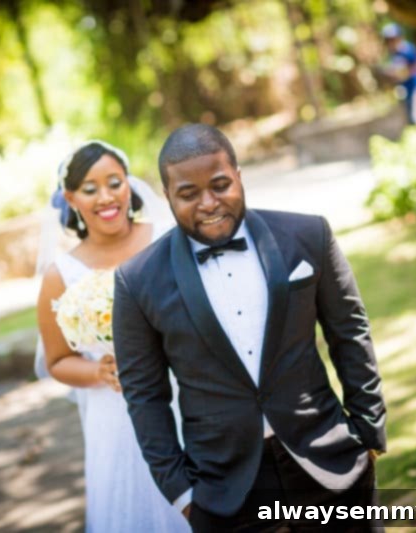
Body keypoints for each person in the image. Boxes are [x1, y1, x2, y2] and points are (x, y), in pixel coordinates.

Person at [113, 124, 387, 531]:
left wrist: (368, 433)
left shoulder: (308, 235)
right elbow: (144, 395)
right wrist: (183, 494)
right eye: (188, 194)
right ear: (167, 196)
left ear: (239, 176)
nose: (208, 203)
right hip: (223, 491)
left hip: (330, 463)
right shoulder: (136, 281)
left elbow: (349, 332)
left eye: (220, 185)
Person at [36, 140, 189, 532]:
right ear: (71, 198)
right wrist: (99, 372)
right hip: (116, 418)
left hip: (186, 394)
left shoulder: (168, 238)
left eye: (115, 182)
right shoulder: (62, 275)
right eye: (90, 188)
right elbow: (56, 361)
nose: (106, 197)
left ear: (130, 185)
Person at [381, 23, 416, 132]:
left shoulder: (407, 49)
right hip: (406, 90)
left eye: (393, 39)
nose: (391, 42)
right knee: (411, 120)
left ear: (399, 37)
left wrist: (402, 73)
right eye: (388, 40)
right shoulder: (394, 54)